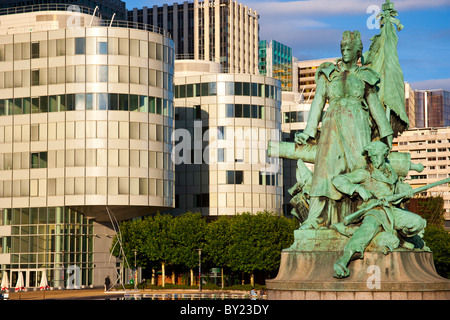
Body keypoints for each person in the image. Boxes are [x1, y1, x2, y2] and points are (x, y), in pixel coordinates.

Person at [295, 31, 393, 229]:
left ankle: (363, 217)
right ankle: (315, 217)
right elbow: (318, 102)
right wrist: (308, 131)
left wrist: (386, 135)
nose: (345, 51)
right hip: (331, 125)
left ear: (358, 53)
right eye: (342, 48)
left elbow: (375, 107)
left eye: (349, 49)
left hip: (358, 127)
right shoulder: (328, 73)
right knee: (323, 171)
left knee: (360, 169)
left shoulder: (366, 76)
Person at [330, 141, 427, 278]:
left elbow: (396, 191)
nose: (374, 159)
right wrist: (357, 188)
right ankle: (345, 259)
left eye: (377, 156)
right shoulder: (365, 173)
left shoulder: (391, 172)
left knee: (418, 223)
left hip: (391, 210)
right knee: (368, 229)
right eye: (372, 156)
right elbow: (338, 180)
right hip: (374, 210)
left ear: (385, 155)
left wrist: (406, 193)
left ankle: (401, 237)